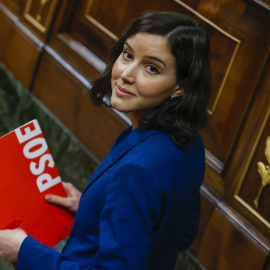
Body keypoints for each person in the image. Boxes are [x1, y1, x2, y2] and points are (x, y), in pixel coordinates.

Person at [0, 11, 211, 270]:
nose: (126, 74)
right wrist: (94, 209)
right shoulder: (191, 141)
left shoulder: (138, 169)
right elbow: (180, 232)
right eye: (128, 54)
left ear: (181, 86)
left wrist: (23, 251)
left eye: (152, 68)